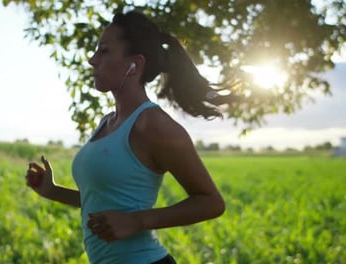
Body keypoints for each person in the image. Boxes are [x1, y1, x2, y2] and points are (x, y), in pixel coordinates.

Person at [25, 10, 229, 264]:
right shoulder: (107, 122)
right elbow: (103, 204)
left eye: (104, 51)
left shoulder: (153, 125)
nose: (92, 60)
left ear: (135, 64)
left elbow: (211, 202)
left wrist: (138, 221)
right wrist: (53, 191)